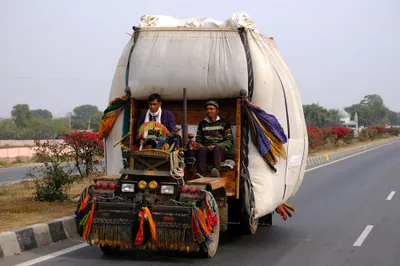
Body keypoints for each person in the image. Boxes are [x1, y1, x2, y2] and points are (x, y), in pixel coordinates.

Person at [195, 100, 234, 177]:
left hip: (220, 153)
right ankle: (200, 174)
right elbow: (198, 141)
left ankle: (216, 172)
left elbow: (229, 141)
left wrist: (215, 146)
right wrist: (201, 146)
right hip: (207, 151)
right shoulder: (202, 124)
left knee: (217, 148)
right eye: (207, 109)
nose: (209, 111)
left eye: (211, 109)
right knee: (201, 149)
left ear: (217, 111)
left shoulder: (224, 123)